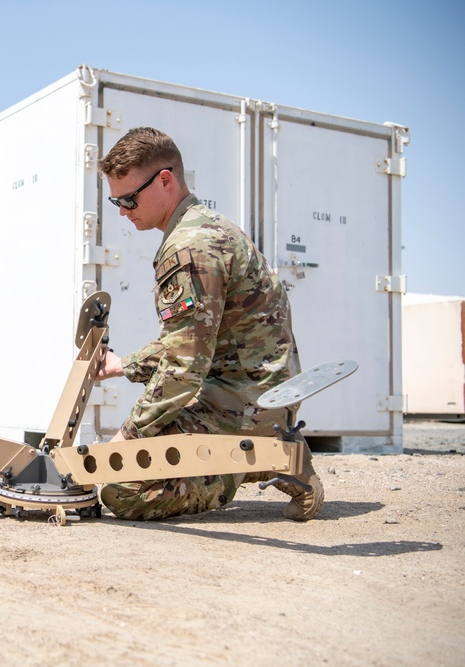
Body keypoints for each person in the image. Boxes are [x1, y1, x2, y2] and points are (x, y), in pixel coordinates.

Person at [94, 127, 323, 522]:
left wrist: (122, 442)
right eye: (117, 200)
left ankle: (269, 455)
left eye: (128, 198)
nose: (122, 211)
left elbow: (184, 370)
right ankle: (268, 443)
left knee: (122, 489)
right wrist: (124, 365)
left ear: (165, 180)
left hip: (243, 402)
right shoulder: (207, 226)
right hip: (251, 390)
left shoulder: (189, 246)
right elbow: (193, 340)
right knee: (133, 460)